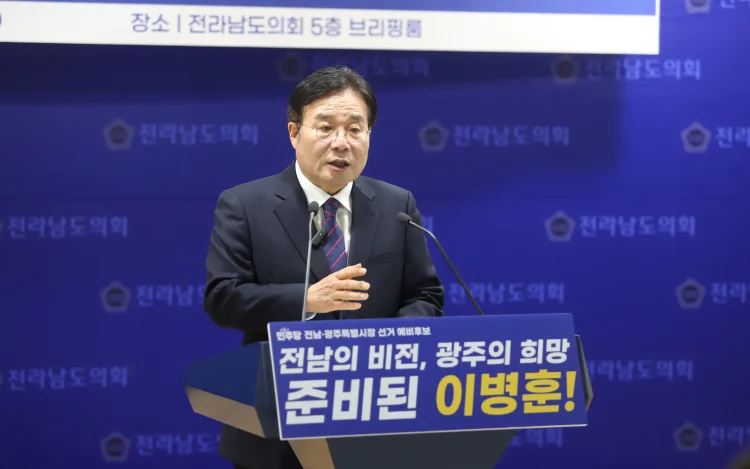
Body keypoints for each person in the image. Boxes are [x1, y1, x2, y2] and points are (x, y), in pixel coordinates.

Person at [202, 65, 445, 469]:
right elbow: (223, 298)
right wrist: (307, 300)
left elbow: (425, 295)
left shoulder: (396, 205)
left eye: (355, 129)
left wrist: (390, 341)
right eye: (326, 128)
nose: (341, 143)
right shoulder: (245, 205)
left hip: (375, 417)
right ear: (294, 133)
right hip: (280, 424)